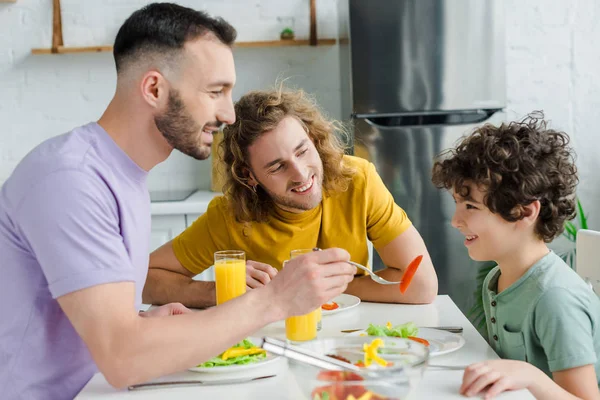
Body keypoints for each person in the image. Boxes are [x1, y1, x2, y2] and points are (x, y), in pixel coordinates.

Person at [0, 4, 357, 399]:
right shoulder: (71, 181)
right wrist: (274, 299)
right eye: (215, 91)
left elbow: (100, 327)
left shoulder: (122, 176)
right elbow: (123, 357)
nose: (228, 114)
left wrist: (144, 321)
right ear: (154, 89)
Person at [144, 88, 438, 307]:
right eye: (277, 166)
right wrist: (220, 289)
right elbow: (145, 281)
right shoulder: (230, 215)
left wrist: (312, 287)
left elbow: (421, 285)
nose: (300, 174)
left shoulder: (357, 180)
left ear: (313, 138)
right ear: (249, 176)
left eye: (302, 151)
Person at [431, 113, 600, 399]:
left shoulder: (554, 299)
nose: (455, 221)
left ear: (524, 211)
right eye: (457, 204)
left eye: (470, 207)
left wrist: (530, 376)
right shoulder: (497, 278)